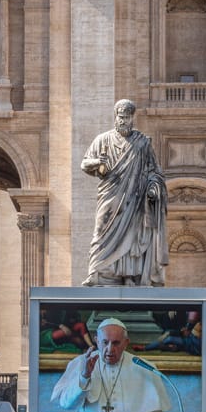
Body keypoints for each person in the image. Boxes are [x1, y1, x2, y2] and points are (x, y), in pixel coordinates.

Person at [81, 99, 168, 287]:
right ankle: (95, 272)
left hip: (134, 198)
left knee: (131, 234)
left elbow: (154, 170)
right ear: (115, 117)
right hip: (110, 195)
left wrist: (153, 186)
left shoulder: (142, 143)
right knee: (101, 230)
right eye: (120, 117)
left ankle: (129, 275)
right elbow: (84, 164)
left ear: (132, 119)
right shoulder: (102, 139)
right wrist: (97, 162)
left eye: (127, 118)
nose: (123, 121)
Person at [50, 318, 176, 412]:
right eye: (105, 342)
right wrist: (84, 376)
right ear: (97, 340)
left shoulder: (145, 368)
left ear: (126, 343)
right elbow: (66, 405)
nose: (110, 349)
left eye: (116, 343)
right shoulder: (80, 363)